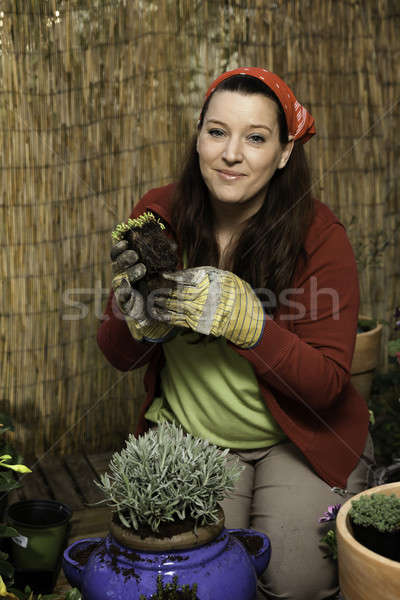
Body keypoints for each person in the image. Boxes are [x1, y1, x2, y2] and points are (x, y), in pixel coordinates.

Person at [97, 67, 374, 600]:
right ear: (198, 136)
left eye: (256, 138)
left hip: (292, 438)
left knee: (297, 581)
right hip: (193, 433)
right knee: (192, 577)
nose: (231, 154)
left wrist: (252, 328)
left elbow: (327, 384)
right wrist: (140, 324)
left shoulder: (319, 235)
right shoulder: (158, 217)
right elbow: (118, 355)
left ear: (285, 152)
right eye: (217, 131)